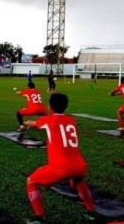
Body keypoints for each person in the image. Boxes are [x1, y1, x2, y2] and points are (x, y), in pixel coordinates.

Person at [24, 94, 95, 224]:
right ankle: (91, 212)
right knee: (78, 182)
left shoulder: (48, 120)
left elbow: (35, 123)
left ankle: (39, 217)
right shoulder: (71, 120)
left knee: (31, 181)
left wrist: (27, 123)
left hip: (61, 167)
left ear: (50, 106)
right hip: (80, 165)